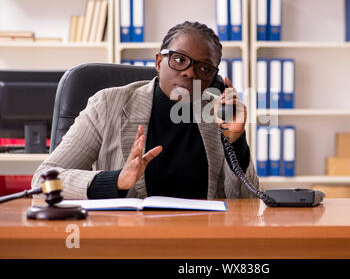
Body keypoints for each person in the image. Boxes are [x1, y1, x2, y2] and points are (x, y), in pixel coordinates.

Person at [31, 21, 259, 200]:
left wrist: (236, 141)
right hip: (126, 240)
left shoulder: (217, 116)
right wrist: (116, 181)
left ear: (213, 78)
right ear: (159, 62)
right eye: (179, 60)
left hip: (202, 240)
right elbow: (42, 180)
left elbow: (247, 200)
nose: (190, 73)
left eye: (204, 68)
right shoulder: (108, 105)